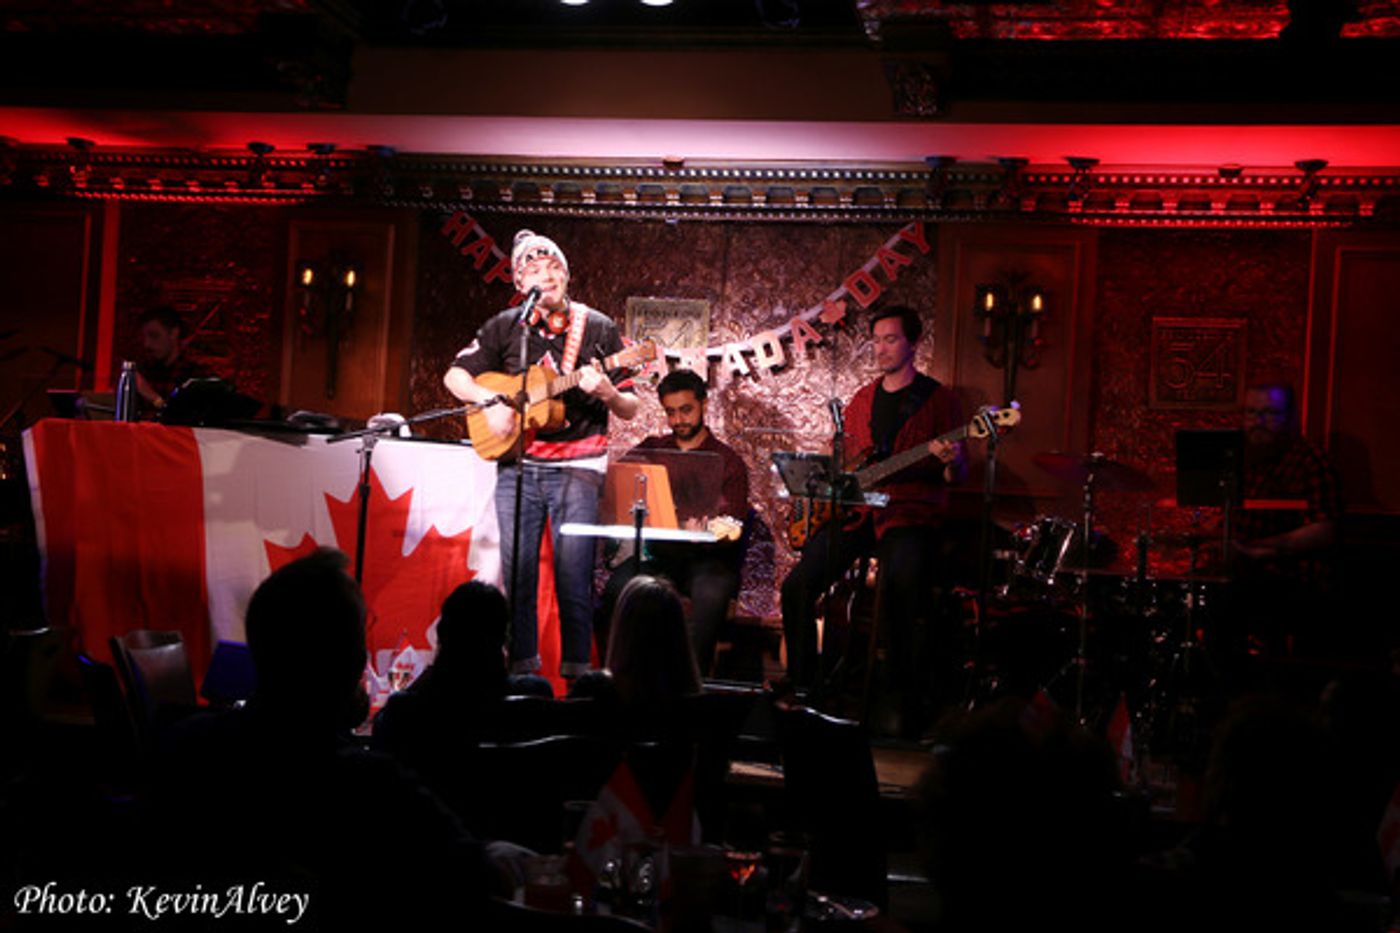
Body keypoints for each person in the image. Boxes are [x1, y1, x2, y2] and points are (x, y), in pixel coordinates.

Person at [145, 549, 509, 927]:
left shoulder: (182, 751)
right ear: (350, 660)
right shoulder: (374, 789)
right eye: (360, 634)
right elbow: (478, 874)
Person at [444, 230, 638, 681]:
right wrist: (489, 402)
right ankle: (522, 677)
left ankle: (576, 678)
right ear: (518, 279)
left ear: (567, 276)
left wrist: (608, 391)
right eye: (533, 269)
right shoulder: (505, 326)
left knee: (574, 578)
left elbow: (630, 407)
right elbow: (456, 376)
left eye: (554, 267)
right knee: (518, 577)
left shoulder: (599, 327)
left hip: (579, 467)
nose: (545, 275)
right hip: (519, 465)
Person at [779, 305, 966, 735]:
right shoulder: (862, 398)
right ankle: (807, 687)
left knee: (902, 584)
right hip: (857, 515)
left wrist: (952, 460)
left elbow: (958, 476)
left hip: (908, 514)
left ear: (914, 343)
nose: (881, 348)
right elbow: (842, 461)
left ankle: (900, 696)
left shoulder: (940, 401)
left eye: (891, 339)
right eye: (877, 339)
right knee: (798, 586)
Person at [598, 367, 750, 673]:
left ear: (704, 405)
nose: (679, 420)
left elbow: (734, 521)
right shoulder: (653, 449)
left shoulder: (728, 460)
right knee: (616, 589)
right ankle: (616, 679)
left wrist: (709, 531)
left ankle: (691, 687)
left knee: (710, 596)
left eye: (686, 410)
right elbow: (618, 484)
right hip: (657, 556)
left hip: (708, 560)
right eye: (671, 412)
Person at [1230, 382, 1343, 656]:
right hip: (1248, 571)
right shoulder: (1244, 461)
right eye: (1251, 413)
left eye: (1269, 413)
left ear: (1289, 418)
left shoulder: (1309, 460)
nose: (1258, 422)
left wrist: (1266, 547)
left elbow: (1324, 529)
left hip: (1294, 577)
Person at [134, 305, 208, 411]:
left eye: (154, 335)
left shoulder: (193, 376)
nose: (147, 344)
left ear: (174, 334)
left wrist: (153, 397)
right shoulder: (146, 371)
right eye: (143, 337)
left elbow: (182, 417)